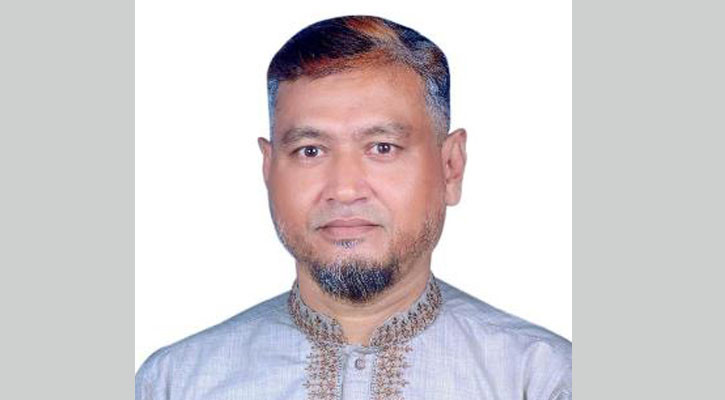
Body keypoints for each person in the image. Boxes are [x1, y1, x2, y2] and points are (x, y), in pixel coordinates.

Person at [135, 15, 572, 400]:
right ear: (268, 169)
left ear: (450, 167)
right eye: (310, 151)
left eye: (382, 147)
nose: (344, 190)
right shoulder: (176, 383)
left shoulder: (542, 380)